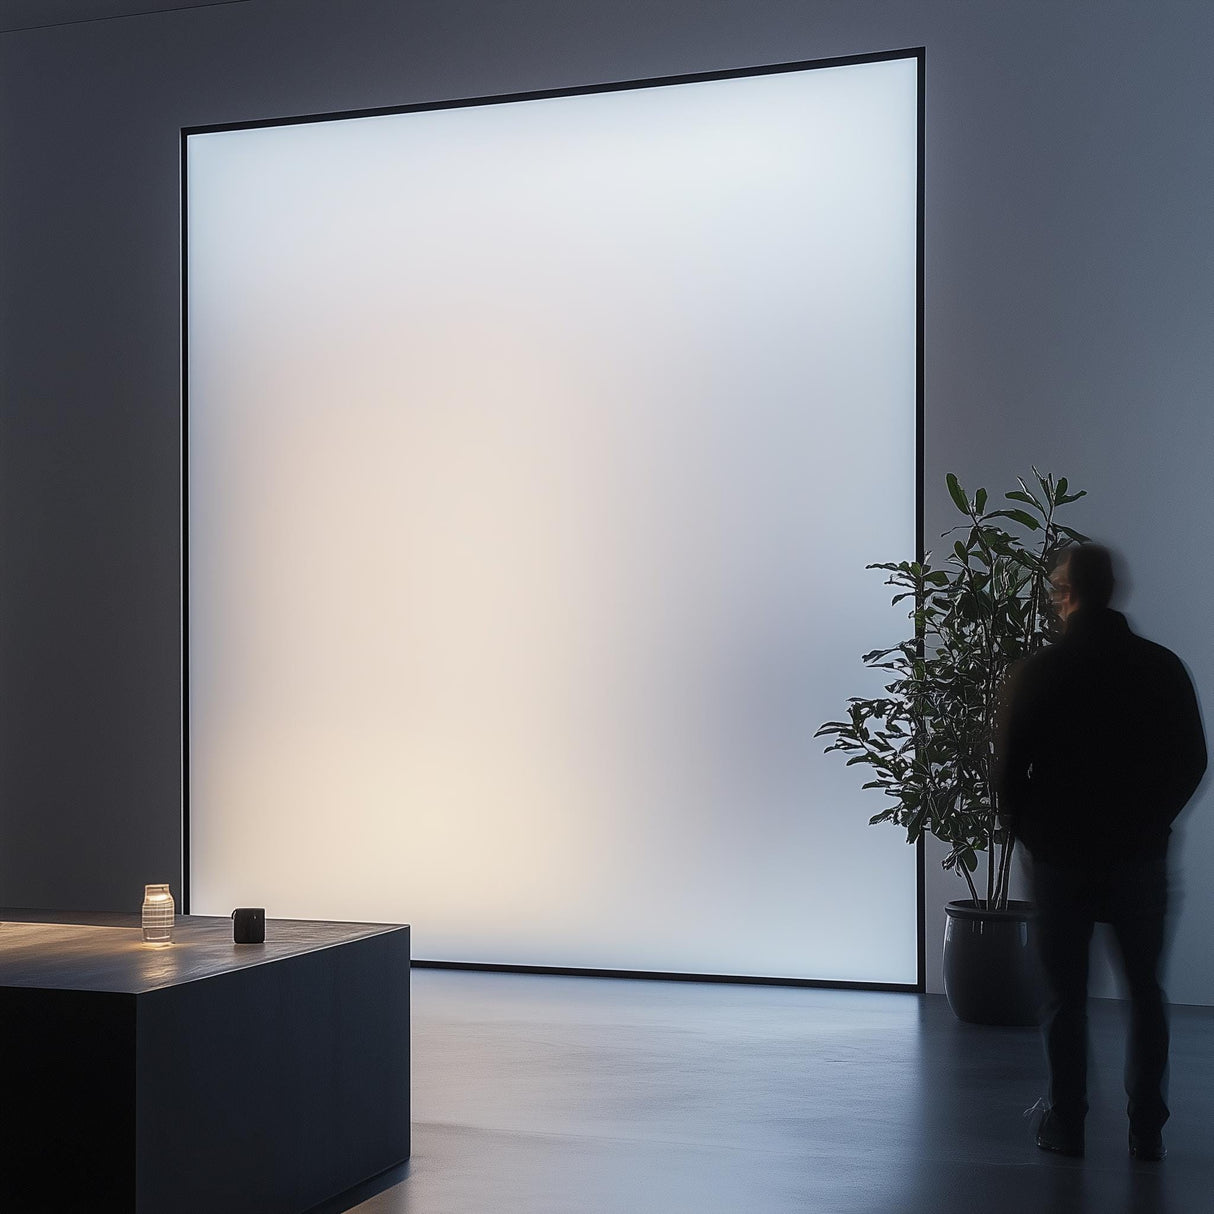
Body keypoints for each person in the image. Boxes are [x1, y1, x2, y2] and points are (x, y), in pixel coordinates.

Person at [995, 543, 1206, 1161]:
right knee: (1145, 990)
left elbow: (1009, 773)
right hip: (1139, 857)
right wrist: (1151, 821)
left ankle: (1068, 1122)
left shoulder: (1041, 672)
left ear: (1067, 593)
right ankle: (1146, 1128)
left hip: (1062, 860)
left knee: (1065, 996)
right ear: (1116, 590)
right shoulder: (1161, 667)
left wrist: (1035, 833)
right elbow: (1192, 760)